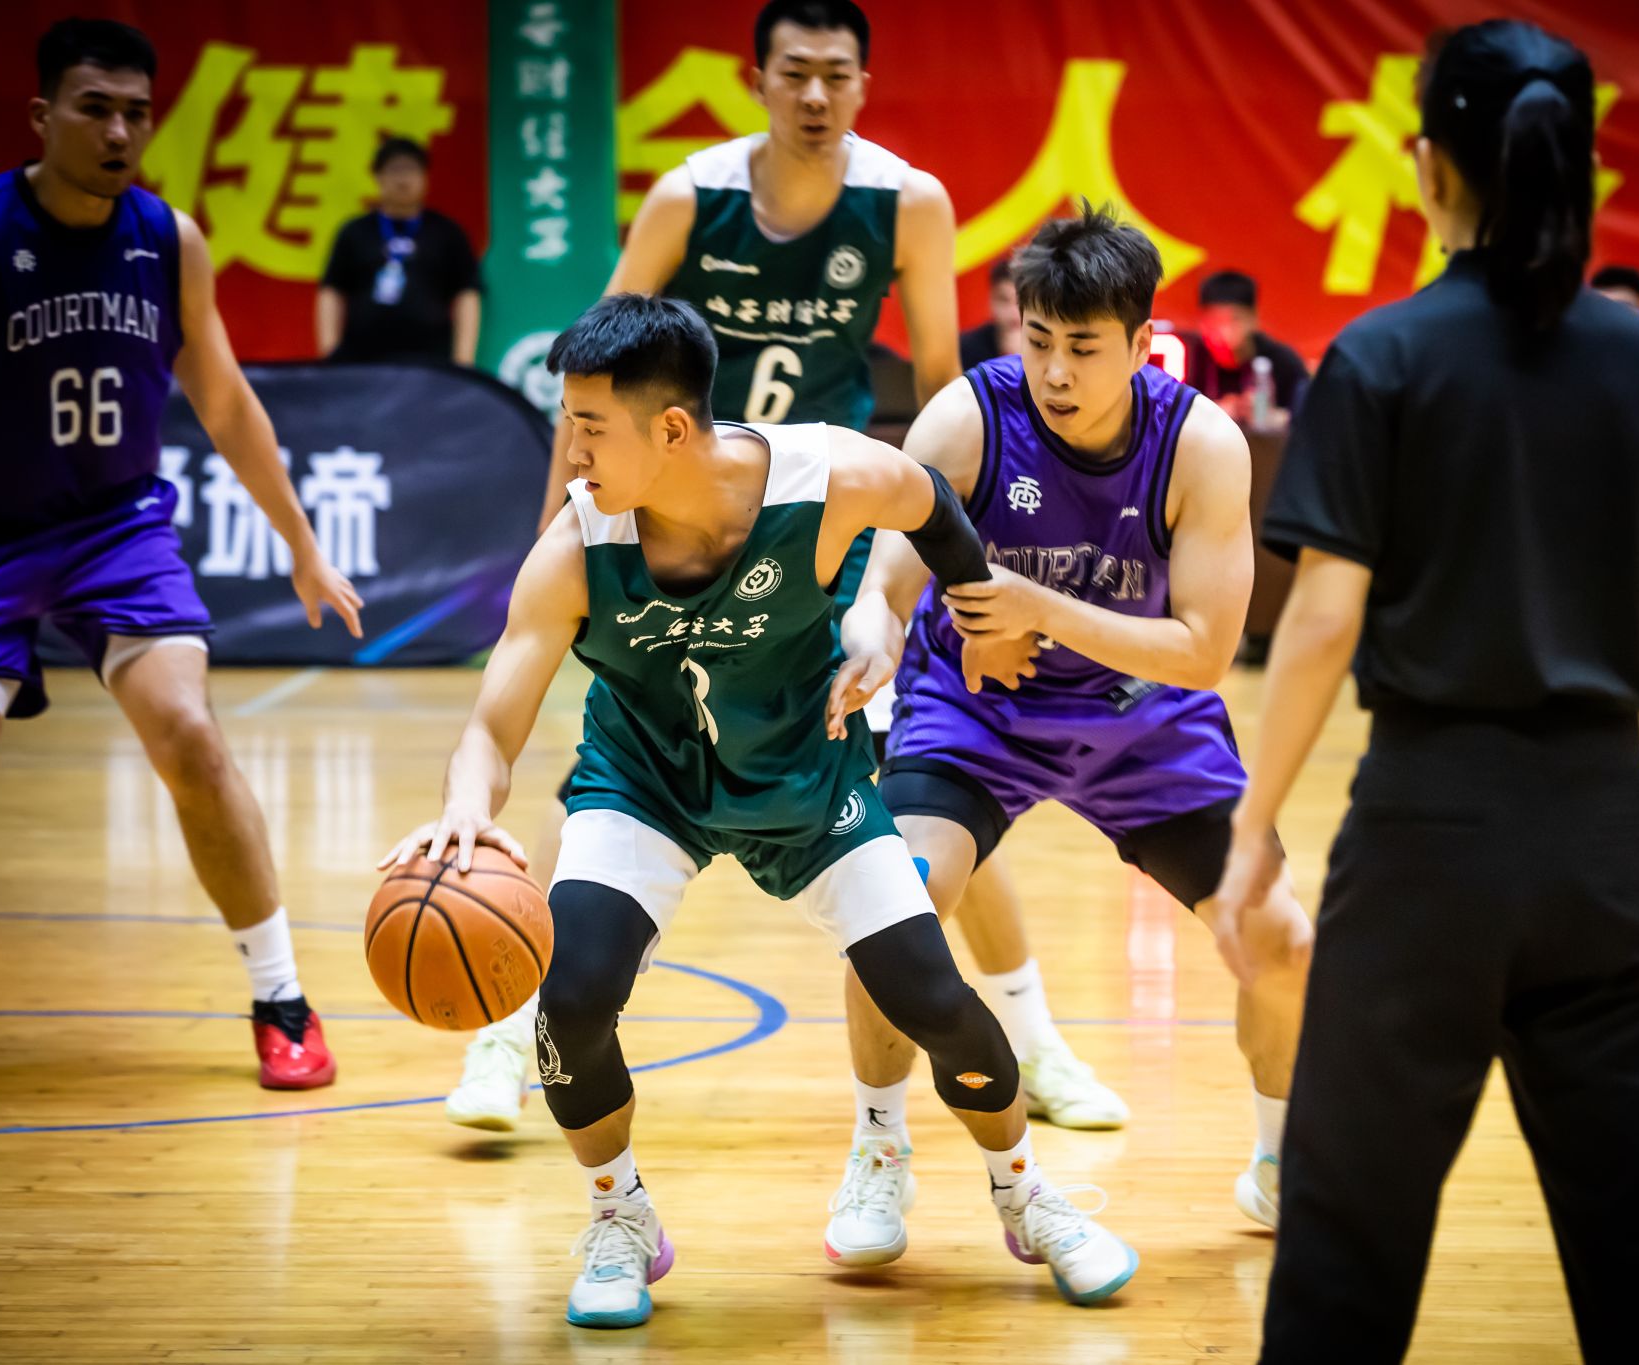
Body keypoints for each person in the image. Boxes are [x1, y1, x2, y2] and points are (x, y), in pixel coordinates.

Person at [379, 293, 1137, 1328]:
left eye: (590, 428)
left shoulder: (824, 476)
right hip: (643, 784)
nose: (571, 453)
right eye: (569, 424)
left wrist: (976, 615)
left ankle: (1025, 1194)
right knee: (571, 1001)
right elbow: (489, 727)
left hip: (808, 775)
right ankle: (618, 1214)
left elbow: (928, 502)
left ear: (671, 428)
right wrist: (466, 810)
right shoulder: (574, 546)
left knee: (931, 998)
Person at [451, 0, 1123, 1139]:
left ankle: (1031, 1037)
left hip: (825, 521)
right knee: (619, 762)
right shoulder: (690, 197)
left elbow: (940, 391)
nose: (817, 95)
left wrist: (933, 570)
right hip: (678, 512)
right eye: (796, 73)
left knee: (925, 782)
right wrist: (557, 530)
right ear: (755, 78)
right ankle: (514, 1030)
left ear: (864, 82)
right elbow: (596, 384)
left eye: (838, 75)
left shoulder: (906, 202)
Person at [1210, 21, 1639, 1363]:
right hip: (1603, 837)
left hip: (1425, 841)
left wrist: (1254, 824)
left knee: (1345, 1251)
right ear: (1580, 161)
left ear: (1426, 167)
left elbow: (1322, 623)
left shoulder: (1380, 357)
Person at [821, 204, 1313, 1267]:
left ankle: (1281, 1162)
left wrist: (1039, 611)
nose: (1053, 370)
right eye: (1036, 338)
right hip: (976, 713)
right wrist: (869, 635)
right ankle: (877, 1147)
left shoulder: (1201, 446)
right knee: (891, 905)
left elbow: (1203, 652)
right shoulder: (967, 418)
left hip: (1145, 720)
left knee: (1281, 941)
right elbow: (888, 581)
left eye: (1083, 347)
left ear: (1141, 344)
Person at [0, 19, 364, 1089]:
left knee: (190, 733)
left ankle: (281, 996)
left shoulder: (169, 239)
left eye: (136, 111)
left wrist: (303, 546)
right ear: (43, 116)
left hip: (114, 531)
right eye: (95, 108)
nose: (120, 131)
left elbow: (225, 400)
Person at [316, 137, 481, 365]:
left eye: (411, 170)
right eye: (395, 170)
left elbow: (467, 295)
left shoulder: (447, 232)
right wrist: (330, 352)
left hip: (431, 362)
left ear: (425, 176)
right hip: (361, 360)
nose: (403, 179)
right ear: (378, 176)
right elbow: (332, 291)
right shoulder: (354, 232)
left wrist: (463, 360)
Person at [1184, 270, 1309, 425]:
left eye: (1234, 320)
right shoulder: (1188, 360)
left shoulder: (1283, 362)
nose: (1223, 332)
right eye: (1214, 320)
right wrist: (1210, 412)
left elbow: (1312, 419)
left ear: (1253, 318)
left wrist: (1277, 418)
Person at [958, 257, 1021, 369]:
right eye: (1004, 300)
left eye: (1021, 302)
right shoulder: (967, 348)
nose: (1014, 312)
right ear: (990, 301)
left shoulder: (1048, 346)